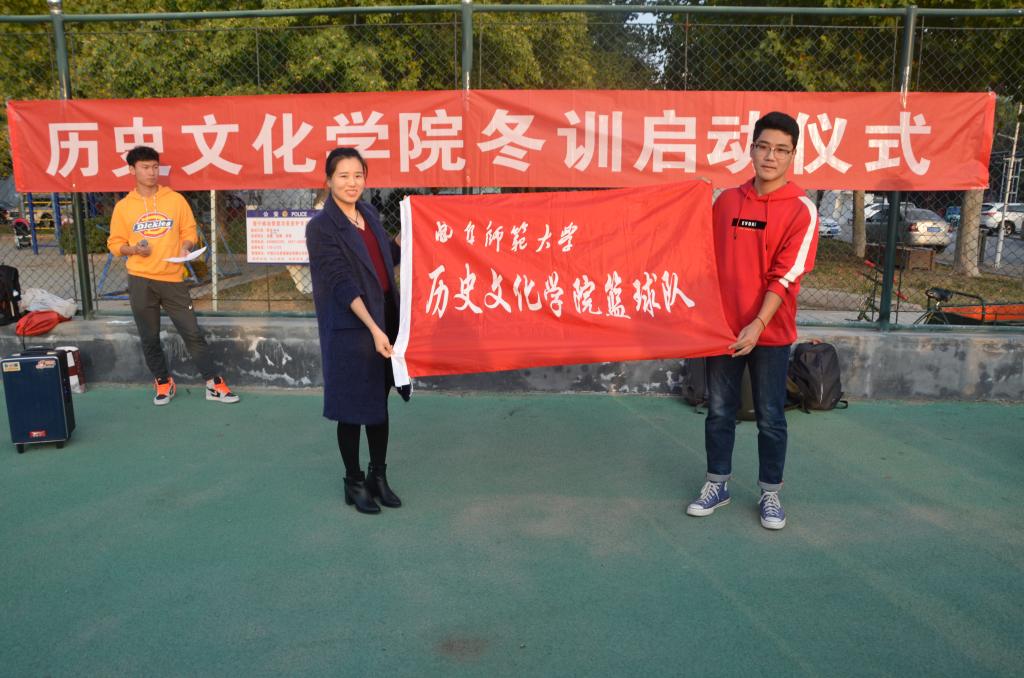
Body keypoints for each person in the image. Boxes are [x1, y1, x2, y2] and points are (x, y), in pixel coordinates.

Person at [685, 112, 819, 530]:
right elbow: (700, 254)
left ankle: (770, 493)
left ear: (792, 156)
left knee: (770, 416)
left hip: (770, 333)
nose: (770, 156)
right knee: (719, 410)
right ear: (751, 149)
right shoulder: (726, 201)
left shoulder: (802, 210)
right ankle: (717, 484)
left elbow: (786, 276)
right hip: (723, 331)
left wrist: (758, 325)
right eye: (763, 147)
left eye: (781, 150)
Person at [306, 147, 404, 515]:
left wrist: (404, 237)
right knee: (351, 408)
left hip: (385, 318)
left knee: (379, 402)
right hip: (352, 327)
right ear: (328, 180)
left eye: (358, 175)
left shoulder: (369, 213)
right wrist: (374, 329)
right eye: (343, 176)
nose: (352, 183)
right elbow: (342, 284)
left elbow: (384, 259)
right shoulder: (321, 228)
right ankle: (354, 481)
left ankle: (379, 476)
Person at [107, 145, 239, 406]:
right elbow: (114, 243)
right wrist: (133, 250)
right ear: (132, 170)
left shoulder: (175, 200)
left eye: (155, 167)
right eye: (145, 167)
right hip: (140, 279)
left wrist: (186, 246)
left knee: (192, 332)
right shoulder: (123, 207)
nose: (152, 172)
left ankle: (213, 383)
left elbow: (189, 231)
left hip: (173, 279)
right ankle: (163, 381)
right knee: (149, 336)